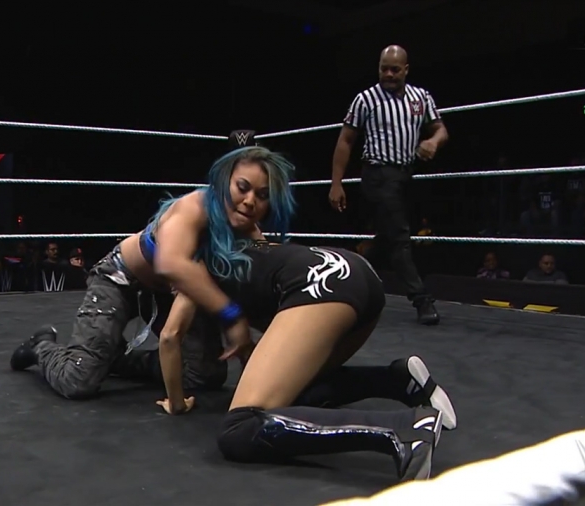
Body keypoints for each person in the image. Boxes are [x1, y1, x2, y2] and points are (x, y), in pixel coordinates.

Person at [9, 144, 295, 400]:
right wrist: (232, 315)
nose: (249, 201)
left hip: (166, 293)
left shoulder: (250, 233)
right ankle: (41, 346)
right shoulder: (194, 208)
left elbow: (267, 271)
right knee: (77, 380)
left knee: (204, 374)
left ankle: (115, 360)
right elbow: (171, 263)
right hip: (122, 279)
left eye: (262, 195)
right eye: (242, 187)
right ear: (224, 181)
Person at [156, 240, 456, 481]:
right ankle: (397, 380)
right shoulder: (243, 250)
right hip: (357, 274)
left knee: (240, 429)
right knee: (292, 398)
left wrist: (177, 403)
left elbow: (170, 337)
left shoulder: (193, 269)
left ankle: (403, 428)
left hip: (323, 287)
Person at [328, 44, 447, 326]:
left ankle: (349, 279)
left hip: (407, 176)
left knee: (388, 238)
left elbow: (441, 129)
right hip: (378, 175)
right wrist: (336, 183)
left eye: (395, 69)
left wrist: (433, 142)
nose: (389, 74)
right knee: (400, 237)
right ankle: (421, 299)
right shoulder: (365, 99)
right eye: (384, 69)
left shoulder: (421, 97)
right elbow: (346, 140)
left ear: (406, 69)